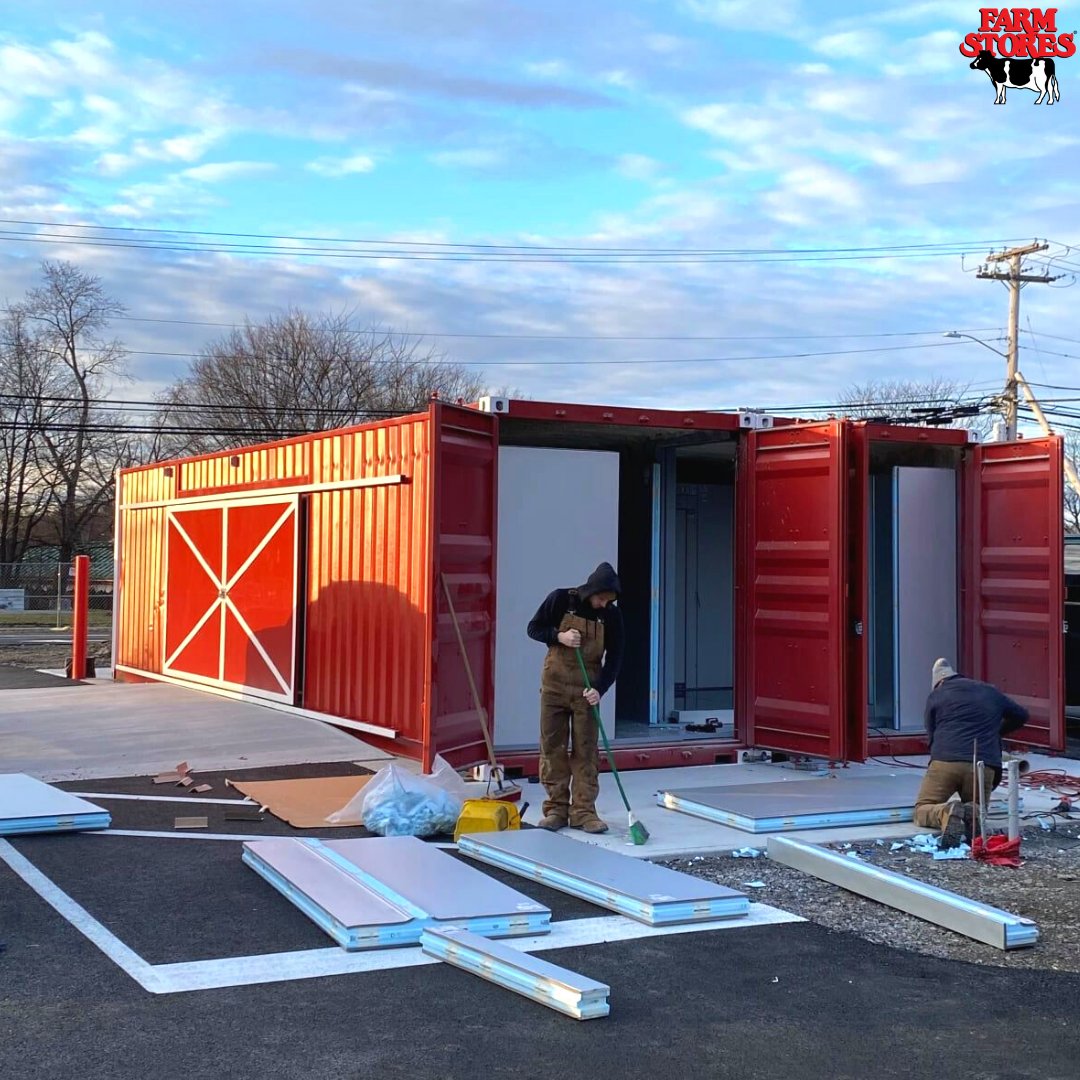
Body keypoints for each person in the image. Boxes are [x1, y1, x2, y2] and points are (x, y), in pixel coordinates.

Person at [527, 562, 624, 834]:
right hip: (554, 688)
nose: (604, 604)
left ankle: (583, 812)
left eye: (609, 601)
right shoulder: (561, 599)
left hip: (586, 691)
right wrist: (559, 636)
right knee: (552, 747)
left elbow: (615, 657)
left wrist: (600, 689)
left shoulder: (612, 617)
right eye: (602, 598)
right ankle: (556, 809)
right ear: (592, 590)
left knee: (586, 751)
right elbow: (533, 628)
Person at [914, 657, 1029, 846]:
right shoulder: (991, 692)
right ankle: (971, 815)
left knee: (922, 809)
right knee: (977, 809)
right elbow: (1022, 715)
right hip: (983, 765)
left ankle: (946, 812)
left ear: (939, 682)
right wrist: (996, 731)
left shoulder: (937, 694)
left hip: (946, 761)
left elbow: (931, 733)